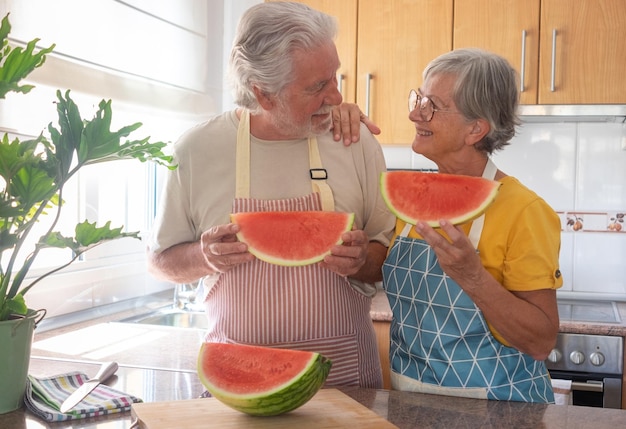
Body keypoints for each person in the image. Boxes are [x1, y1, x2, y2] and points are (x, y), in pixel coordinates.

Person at [146, 1, 395, 388]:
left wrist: (363, 260)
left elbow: (389, 257)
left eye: (335, 76)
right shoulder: (196, 150)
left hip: (345, 377)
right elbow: (160, 262)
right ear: (263, 94)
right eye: (317, 86)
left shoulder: (353, 140)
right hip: (237, 376)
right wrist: (204, 255)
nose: (336, 96)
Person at [380, 48, 562, 402]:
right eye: (418, 98)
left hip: (500, 409)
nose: (414, 113)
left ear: (475, 129)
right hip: (411, 402)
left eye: (431, 105)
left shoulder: (524, 210)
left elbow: (540, 341)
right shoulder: (410, 199)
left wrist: (473, 276)